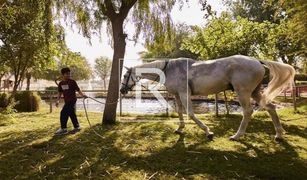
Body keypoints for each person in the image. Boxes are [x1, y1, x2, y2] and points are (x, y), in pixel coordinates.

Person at [55, 67, 87, 135]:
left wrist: (83, 95)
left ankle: (64, 129)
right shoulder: (61, 83)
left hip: (72, 100)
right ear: (63, 75)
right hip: (66, 101)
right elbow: (60, 93)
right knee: (71, 113)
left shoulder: (72, 82)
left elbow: (78, 90)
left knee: (63, 113)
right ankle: (77, 127)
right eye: (67, 74)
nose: (69, 75)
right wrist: (57, 100)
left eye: (69, 74)